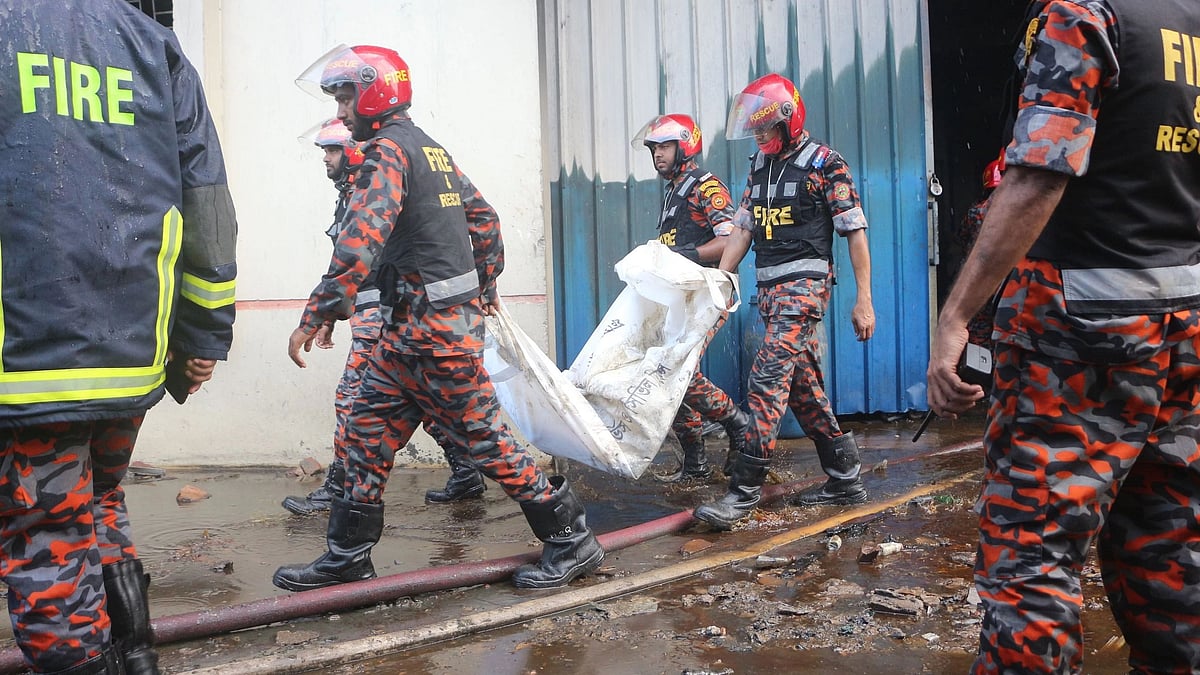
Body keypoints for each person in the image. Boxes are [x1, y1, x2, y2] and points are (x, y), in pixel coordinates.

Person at [927, 1, 1200, 672]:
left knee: (1032, 554)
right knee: (1172, 552)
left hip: (1077, 338)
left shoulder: (1084, 14)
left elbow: (1039, 172)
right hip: (1185, 328)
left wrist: (958, 313)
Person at [273, 44, 604, 592]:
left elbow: (360, 240)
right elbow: (486, 222)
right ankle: (347, 555)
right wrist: (486, 284)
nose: (341, 112)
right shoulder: (431, 151)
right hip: (406, 337)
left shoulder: (387, 152)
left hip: (437, 339)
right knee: (363, 435)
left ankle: (572, 540)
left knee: (488, 442)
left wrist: (320, 311)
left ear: (377, 90)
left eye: (346, 97)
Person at [0, 1, 238, 672]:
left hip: (22, 357)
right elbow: (208, 200)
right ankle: (135, 657)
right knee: (101, 502)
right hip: (133, 354)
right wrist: (201, 334)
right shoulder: (149, 40)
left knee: (49, 536)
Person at [693, 73, 876, 531]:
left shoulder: (825, 163)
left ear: (790, 121)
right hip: (770, 294)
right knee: (802, 389)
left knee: (767, 376)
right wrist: (720, 282)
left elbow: (854, 231)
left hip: (805, 288)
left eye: (765, 128)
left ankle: (743, 491)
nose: (758, 136)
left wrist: (864, 301)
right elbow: (742, 229)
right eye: (753, 130)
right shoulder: (760, 166)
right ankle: (845, 478)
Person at [281, 121, 483, 515]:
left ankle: (339, 489)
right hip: (381, 312)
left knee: (352, 399)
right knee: (425, 399)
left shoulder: (374, 186)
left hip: (384, 313)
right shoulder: (358, 191)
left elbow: (360, 257)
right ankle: (467, 471)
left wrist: (320, 312)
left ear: (353, 152)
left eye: (332, 150)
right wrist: (332, 314)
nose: (326, 157)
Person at [630, 114, 751, 482]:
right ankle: (695, 462)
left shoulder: (705, 186)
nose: (657, 155)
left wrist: (689, 255)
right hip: (681, 298)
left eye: (664, 147)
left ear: (685, 146)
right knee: (673, 370)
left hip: (709, 294)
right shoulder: (674, 191)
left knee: (676, 371)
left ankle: (738, 424)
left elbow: (730, 238)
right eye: (653, 149)